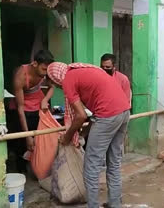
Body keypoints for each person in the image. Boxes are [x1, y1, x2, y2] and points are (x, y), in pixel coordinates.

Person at [47, 62, 130, 208]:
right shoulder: (82, 69)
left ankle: (93, 205)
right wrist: (83, 133)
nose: (59, 87)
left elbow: (80, 115)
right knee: (114, 162)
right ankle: (115, 203)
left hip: (107, 115)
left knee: (91, 166)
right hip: (124, 112)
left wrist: (67, 137)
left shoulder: (68, 80)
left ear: (55, 78)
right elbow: (94, 112)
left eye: (54, 84)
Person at [7, 50, 55, 172]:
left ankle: (38, 166)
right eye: (44, 69)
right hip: (23, 109)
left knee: (40, 139)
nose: (46, 73)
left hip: (37, 105)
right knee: (22, 142)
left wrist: (45, 100)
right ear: (34, 64)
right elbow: (20, 108)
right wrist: (27, 136)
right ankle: (21, 171)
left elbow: (52, 87)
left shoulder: (46, 70)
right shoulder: (21, 76)